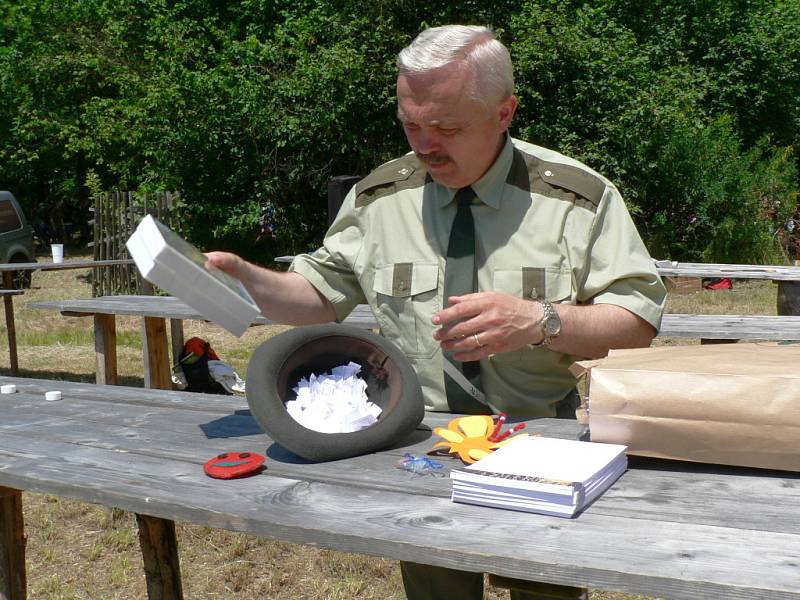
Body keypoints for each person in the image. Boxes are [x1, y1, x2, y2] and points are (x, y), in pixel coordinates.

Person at [207, 24, 665, 600]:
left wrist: (541, 320)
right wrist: (248, 279)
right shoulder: (380, 199)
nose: (426, 145)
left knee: (542, 590)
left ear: (505, 113)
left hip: (544, 443)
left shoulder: (575, 198)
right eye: (411, 124)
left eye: (447, 127)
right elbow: (318, 297)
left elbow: (637, 323)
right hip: (420, 445)